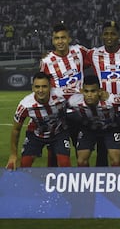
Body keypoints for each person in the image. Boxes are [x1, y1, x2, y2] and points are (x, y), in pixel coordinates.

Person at [87, 21, 120, 166]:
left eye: (113, 33)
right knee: (102, 151)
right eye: (106, 34)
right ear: (102, 36)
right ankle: (101, 184)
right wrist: (48, 54)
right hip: (103, 112)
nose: (109, 37)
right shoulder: (93, 54)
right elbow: (72, 57)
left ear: (119, 35)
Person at [40, 22, 89, 167]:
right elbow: (43, 87)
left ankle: (84, 184)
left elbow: (97, 59)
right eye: (56, 38)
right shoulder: (47, 61)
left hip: (79, 112)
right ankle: (51, 184)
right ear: (53, 40)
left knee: (82, 153)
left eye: (63, 37)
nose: (60, 41)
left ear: (69, 38)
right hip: (59, 114)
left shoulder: (79, 51)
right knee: (56, 152)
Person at [6, 72, 72, 170]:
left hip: (59, 133)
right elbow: (16, 129)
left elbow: (79, 98)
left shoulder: (61, 96)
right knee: (25, 164)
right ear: (33, 88)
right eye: (37, 87)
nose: (40, 90)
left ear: (50, 87)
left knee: (65, 163)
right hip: (36, 135)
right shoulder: (25, 105)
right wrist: (13, 155)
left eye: (44, 86)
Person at [67, 75, 120, 167]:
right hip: (88, 130)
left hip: (110, 129)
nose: (89, 95)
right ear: (82, 91)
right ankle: (87, 180)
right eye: (86, 91)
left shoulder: (111, 100)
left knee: (115, 160)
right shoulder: (74, 101)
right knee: (81, 161)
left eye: (93, 91)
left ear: (100, 91)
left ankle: (114, 180)